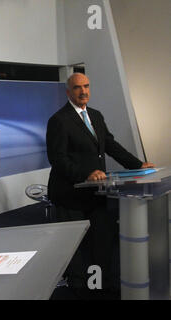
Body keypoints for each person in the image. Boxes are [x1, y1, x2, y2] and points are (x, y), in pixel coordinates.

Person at [46, 73, 154, 298]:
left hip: (96, 194)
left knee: (102, 243)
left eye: (86, 86)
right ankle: (78, 289)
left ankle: (101, 286)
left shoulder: (95, 115)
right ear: (68, 92)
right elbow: (58, 159)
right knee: (75, 251)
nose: (83, 91)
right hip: (70, 195)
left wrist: (138, 165)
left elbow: (111, 146)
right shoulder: (59, 120)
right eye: (77, 88)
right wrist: (87, 174)